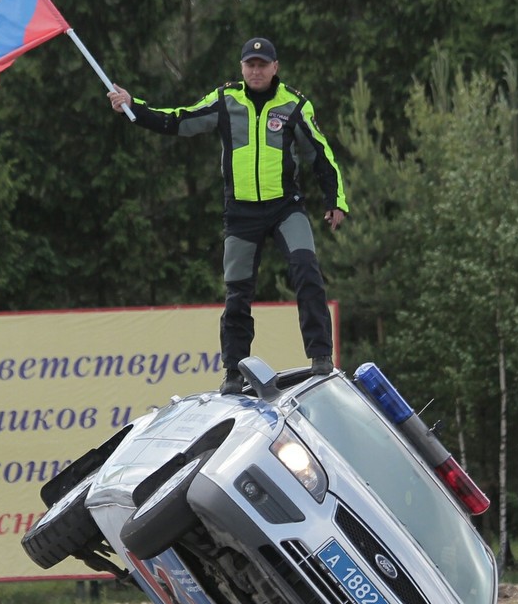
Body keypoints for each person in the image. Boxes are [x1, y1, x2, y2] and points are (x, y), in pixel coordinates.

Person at [107, 38, 348, 393]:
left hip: (285, 207)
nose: (256, 71)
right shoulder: (225, 100)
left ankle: (321, 358)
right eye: (250, 64)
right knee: (237, 294)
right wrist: (134, 106)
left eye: (262, 64)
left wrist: (335, 200)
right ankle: (233, 373)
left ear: (275, 67)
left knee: (307, 271)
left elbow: (322, 154)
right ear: (241, 68)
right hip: (241, 213)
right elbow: (180, 120)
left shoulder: (294, 105)